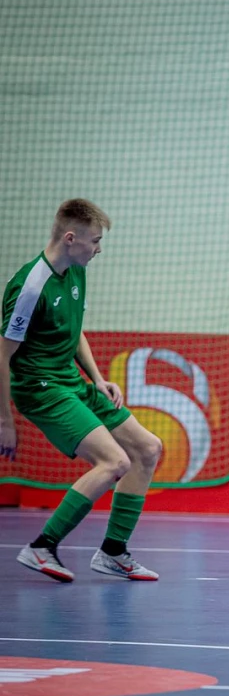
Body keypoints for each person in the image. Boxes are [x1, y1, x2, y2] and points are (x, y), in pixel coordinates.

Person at [4, 199, 164, 582]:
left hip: (71, 381)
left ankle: (113, 553)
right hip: (40, 388)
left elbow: (75, 331)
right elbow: (2, 356)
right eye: (95, 241)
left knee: (147, 449)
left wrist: (97, 378)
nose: (99, 249)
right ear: (71, 238)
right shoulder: (30, 287)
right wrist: (4, 421)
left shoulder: (76, 271)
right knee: (114, 462)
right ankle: (42, 546)